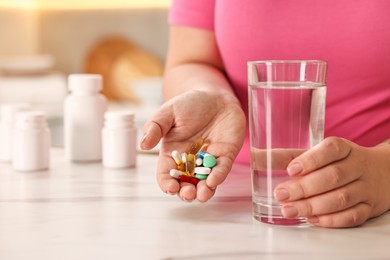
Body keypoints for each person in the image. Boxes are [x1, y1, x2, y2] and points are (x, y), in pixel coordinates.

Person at [140, 0, 390, 228]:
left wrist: (384, 169)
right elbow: (190, 60)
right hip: (237, 197)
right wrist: (211, 93)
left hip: (374, 208)